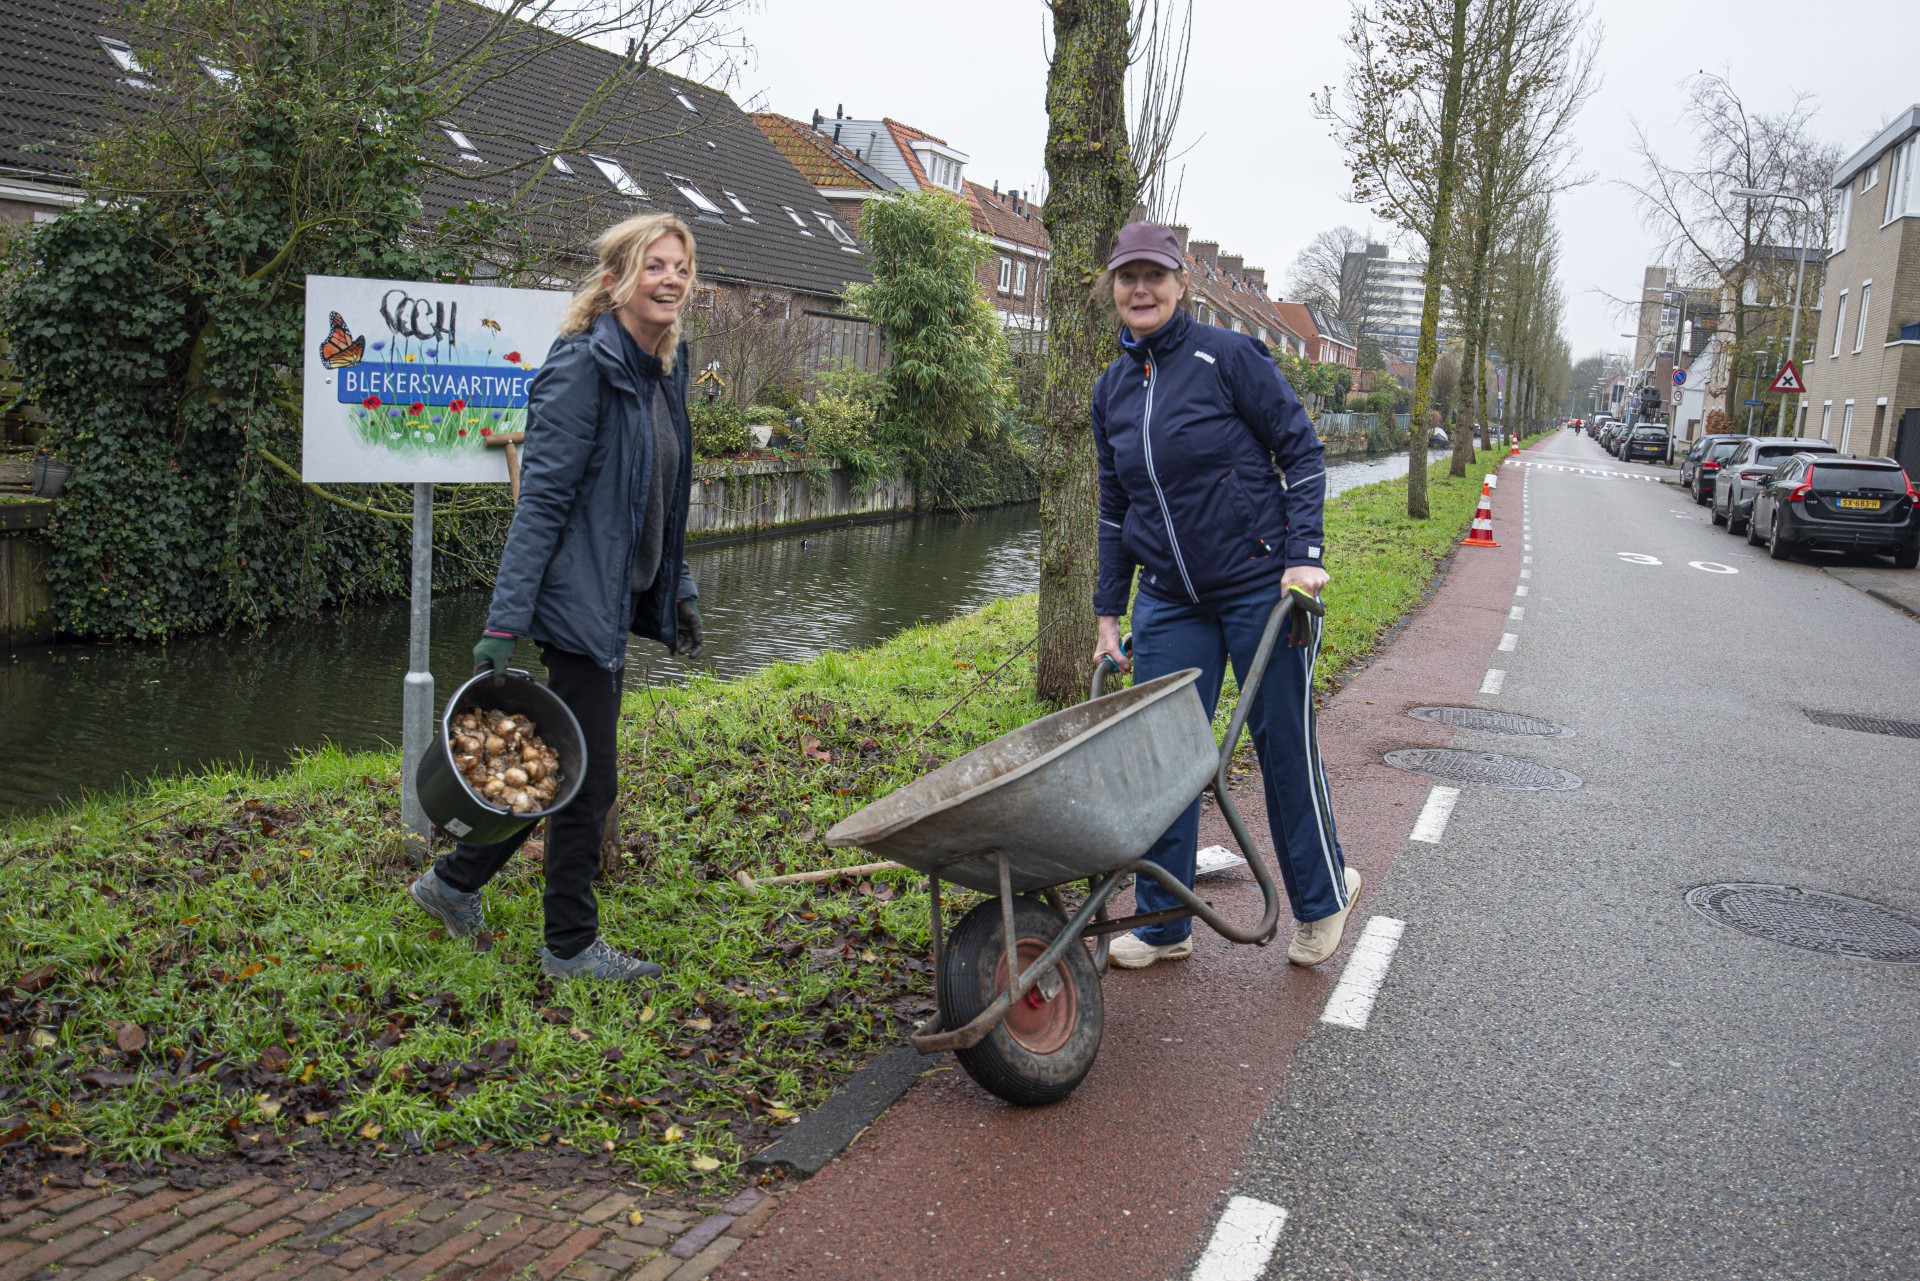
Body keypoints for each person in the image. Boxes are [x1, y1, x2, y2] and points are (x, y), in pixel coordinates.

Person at [408, 211, 706, 982]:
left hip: (614, 597)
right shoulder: (583, 367)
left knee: (568, 765)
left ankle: (452, 884)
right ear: (615, 280)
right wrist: (503, 623)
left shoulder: (661, 371)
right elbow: (540, 503)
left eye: (680, 266)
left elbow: (664, 501)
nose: (670, 278)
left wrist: (679, 586)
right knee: (589, 777)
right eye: (655, 265)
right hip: (577, 603)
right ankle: (568, 945)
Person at [1090, 220, 1359, 970]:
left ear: (1182, 283)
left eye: (1155, 275)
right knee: (1167, 753)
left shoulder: (1230, 356)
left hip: (1257, 583)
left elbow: (1302, 452)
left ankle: (1321, 896)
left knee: (1281, 742)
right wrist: (1109, 612)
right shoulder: (1110, 389)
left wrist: (1303, 558)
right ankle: (1164, 919)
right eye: (1127, 277)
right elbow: (1115, 510)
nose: (1140, 289)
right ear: (1113, 287)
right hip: (1170, 597)